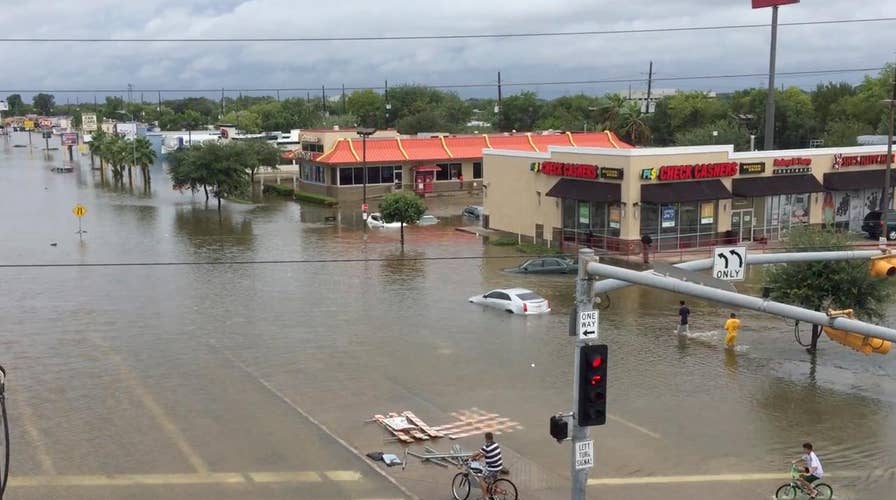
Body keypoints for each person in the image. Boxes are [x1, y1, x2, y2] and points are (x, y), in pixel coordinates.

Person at [469, 432, 503, 500]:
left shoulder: (486, 447)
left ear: (486, 438)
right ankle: (495, 494)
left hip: (492, 468)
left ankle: (485, 497)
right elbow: (485, 453)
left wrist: (469, 457)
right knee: (494, 480)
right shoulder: (496, 444)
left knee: (481, 480)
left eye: (485, 438)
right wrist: (478, 457)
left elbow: (478, 452)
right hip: (499, 466)